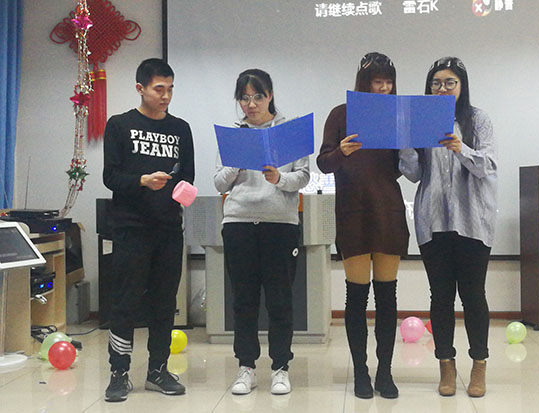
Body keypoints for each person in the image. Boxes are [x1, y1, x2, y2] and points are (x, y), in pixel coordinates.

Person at [399, 56, 497, 397]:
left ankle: (479, 364)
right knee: (440, 296)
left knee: (473, 295)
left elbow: (487, 166)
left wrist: (460, 147)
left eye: (449, 83)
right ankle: (446, 364)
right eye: (436, 83)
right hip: (433, 220)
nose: (442, 89)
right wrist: (406, 144)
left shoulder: (478, 119)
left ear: (461, 86)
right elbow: (413, 174)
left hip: (473, 221)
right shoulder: (421, 121)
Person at [317, 52, 410, 399]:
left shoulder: (399, 115)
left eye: (388, 81)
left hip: (388, 211)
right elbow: (324, 163)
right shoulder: (340, 115)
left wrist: (407, 145)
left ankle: (385, 372)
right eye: (377, 81)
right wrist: (342, 151)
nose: (383, 88)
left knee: (387, 295)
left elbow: (403, 168)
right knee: (356, 296)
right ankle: (360, 372)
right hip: (353, 211)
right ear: (363, 83)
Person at [102, 58, 194, 402]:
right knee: (125, 302)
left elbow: (187, 175)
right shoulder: (120, 125)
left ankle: (158, 370)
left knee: (164, 302)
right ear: (140, 88)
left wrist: (182, 191)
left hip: (168, 229)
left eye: (170, 89)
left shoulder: (181, 128)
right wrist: (142, 180)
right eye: (159, 89)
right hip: (131, 228)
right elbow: (110, 176)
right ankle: (119, 373)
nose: (165, 96)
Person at [214, 69, 310, 396]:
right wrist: (237, 163)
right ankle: (246, 367)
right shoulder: (234, 134)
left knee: (280, 300)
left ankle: (280, 367)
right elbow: (219, 182)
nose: (251, 104)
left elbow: (303, 176)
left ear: (270, 95)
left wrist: (278, 179)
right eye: (244, 98)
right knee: (244, 300)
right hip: (239, 222)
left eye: (257, 96)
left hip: (280, 224)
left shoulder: (288, 131)